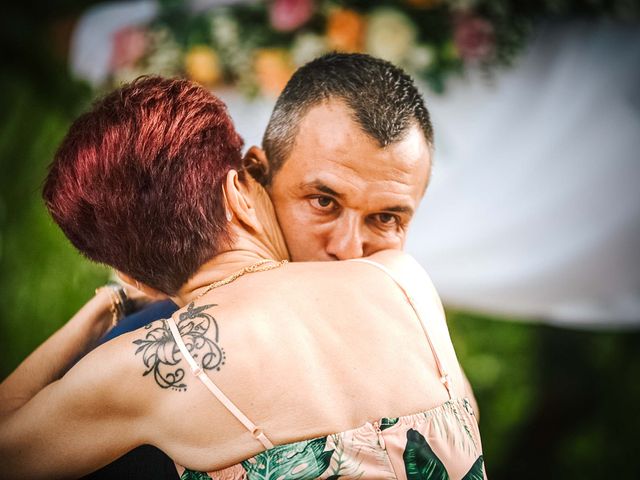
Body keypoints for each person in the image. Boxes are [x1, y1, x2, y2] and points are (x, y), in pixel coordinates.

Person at [0, 76, 485, 479]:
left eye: (384, 218)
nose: (347, 249)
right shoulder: (403, 281)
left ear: (132, 275)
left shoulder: (138, 368)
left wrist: (103, 308)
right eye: (323, 202)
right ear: (239, 186)